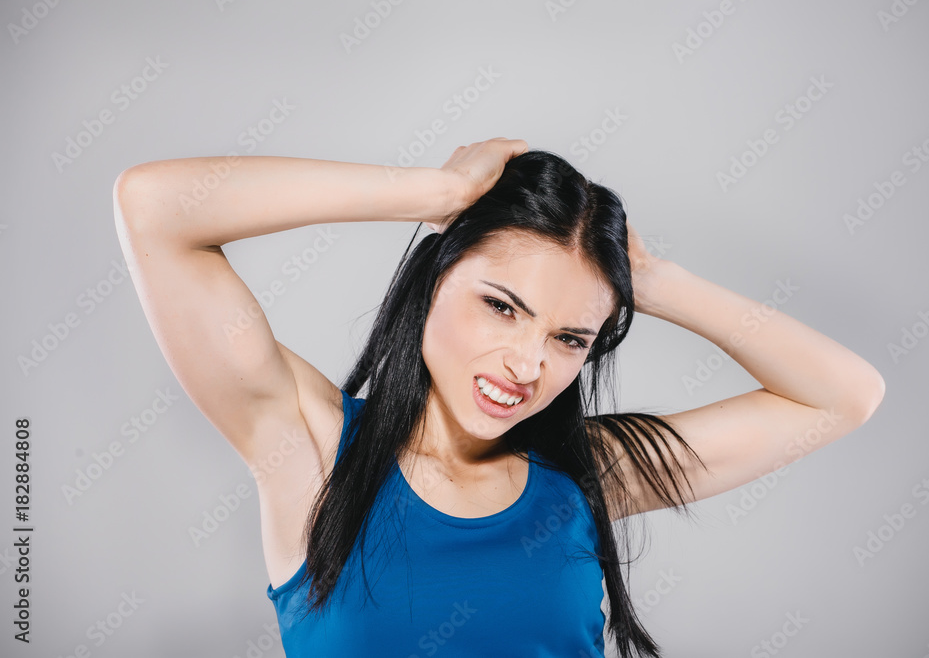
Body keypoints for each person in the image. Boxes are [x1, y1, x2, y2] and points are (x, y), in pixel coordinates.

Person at [112, 137, 885, 657]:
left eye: (569, 338)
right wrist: (435, 190)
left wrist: (649, 281)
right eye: (502, 305)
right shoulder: (307, 447)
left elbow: (842, 395)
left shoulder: (588, 477)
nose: (526, 363)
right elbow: (155, 208)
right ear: (434, 276)